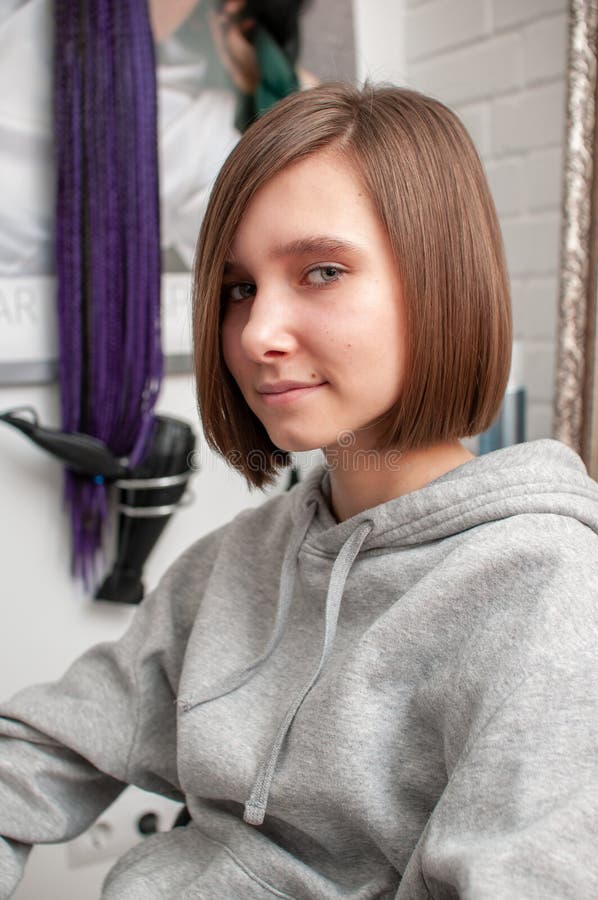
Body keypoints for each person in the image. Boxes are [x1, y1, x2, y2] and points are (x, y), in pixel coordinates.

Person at [2, 82, 598, 899]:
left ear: (439, 282)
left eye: (321, 271)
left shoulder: (549, 595)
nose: (256, 335)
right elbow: (40, 751)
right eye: (239, 287)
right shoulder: (238, 560)